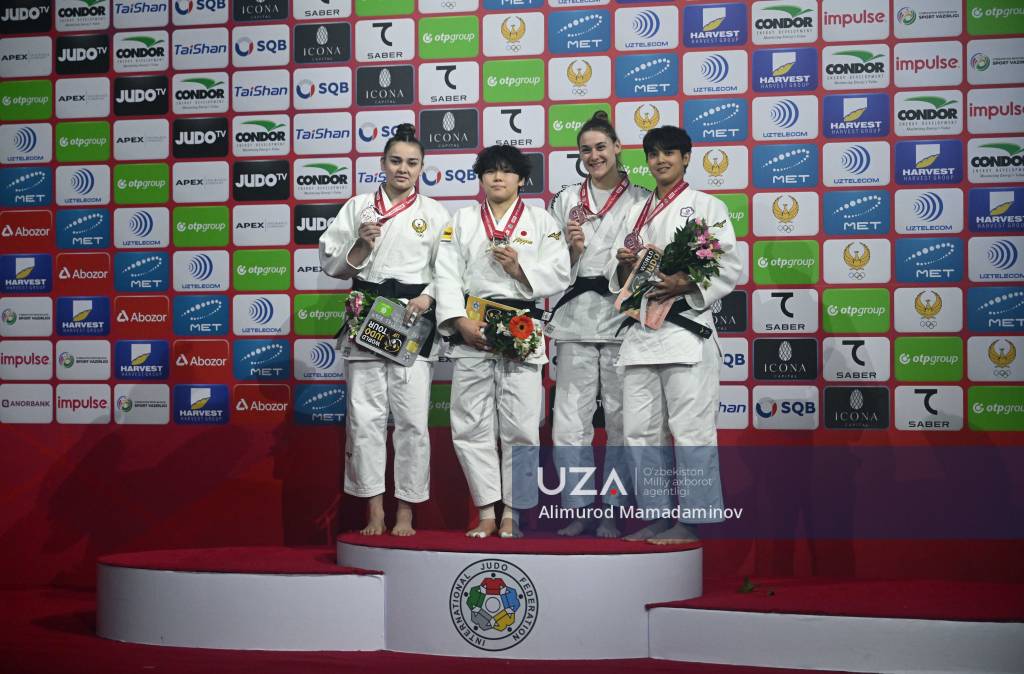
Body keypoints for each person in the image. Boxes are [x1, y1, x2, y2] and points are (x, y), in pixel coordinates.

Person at [605, 125, 742, 544]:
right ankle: (658, 516)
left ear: (686, 158)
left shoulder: (706, 205)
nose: (660, 160)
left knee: (691, 431)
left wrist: (683, 282)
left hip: (686, 331)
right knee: (640, 433)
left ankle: (692, 521)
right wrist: (624, 264)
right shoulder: (635, 210)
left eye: (669, 153)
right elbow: (618, 276)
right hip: (642, 332)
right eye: (653, 154)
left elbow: (728, 266)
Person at [318, 123, 451, 537]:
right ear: (382, 163)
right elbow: (331, 263)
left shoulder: (435, 213)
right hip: (368, 319)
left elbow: (449, 269)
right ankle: (374, 509)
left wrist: (428, 297)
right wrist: (361, 244)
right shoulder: (359, 207)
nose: (403, 169)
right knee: (365, 420)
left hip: (412, 321)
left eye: (412, 163)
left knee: (412, 422)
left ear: (422, 168)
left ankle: (406, 511)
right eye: (395, 161)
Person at [434, 145, 570, 538]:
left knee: (521, 427)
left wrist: (519, 269)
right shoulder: (461, 220)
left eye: (507, 171)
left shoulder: (542, 220)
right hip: (472, 325)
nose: (498, 177)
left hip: (521, 325)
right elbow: (445, 274)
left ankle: (513, 512)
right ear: (480, 178)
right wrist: (459, 321)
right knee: (470, 424)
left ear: (522, 179)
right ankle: (486, 512)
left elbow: (560, 271)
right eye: (490, 171)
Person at [547, 111, 651, 537]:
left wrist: (630, 267)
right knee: (569, 421)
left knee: (623, 421)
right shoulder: (564, 199)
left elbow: (653, 261)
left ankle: (612, 509)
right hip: (574, 319)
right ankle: (577, 508)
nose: (594, 156)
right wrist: (570, 251)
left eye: (601, 147)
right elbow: (548, 264)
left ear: (617, 148)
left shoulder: (643, 199)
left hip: (622, 319)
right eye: (586, 150)